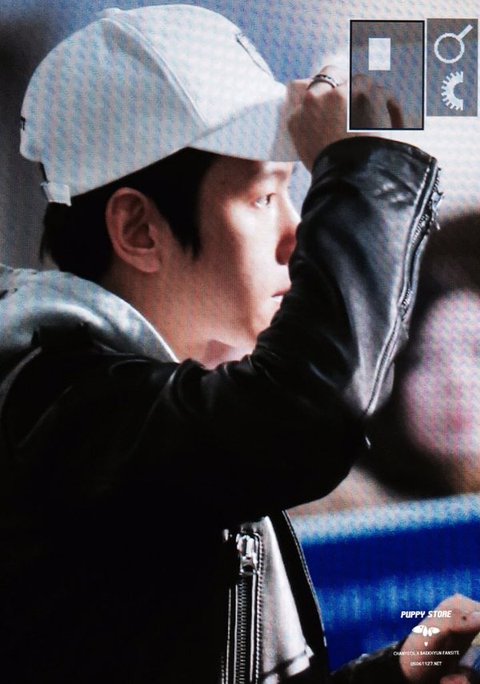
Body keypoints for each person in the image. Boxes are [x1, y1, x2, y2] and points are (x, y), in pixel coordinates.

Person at [0, 5, 476, 684]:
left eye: (291, 193)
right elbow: (307, 413)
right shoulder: (55, 410)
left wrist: (393, 677)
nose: (296, 234)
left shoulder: (149, 409)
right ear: (138, 230)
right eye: (261, 198)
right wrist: (366, 170)